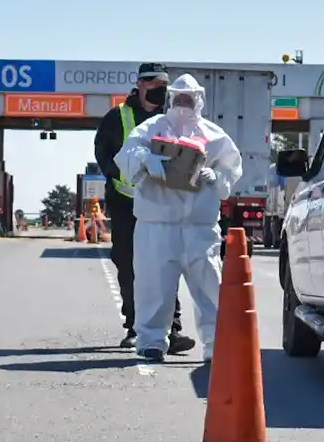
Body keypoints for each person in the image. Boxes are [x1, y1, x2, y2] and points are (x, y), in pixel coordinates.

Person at [114, 74, 243, 363]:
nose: (184, 102)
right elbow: (127, 155)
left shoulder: (214, 135)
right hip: (156, 223)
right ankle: (151, 341)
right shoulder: (151, 128)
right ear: (171, 98)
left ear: (199, 100)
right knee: (153, 286)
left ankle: (215, 344)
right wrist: (146, 160)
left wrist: (216, 177)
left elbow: (232, 169)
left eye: (189, 98)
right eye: (179, 97)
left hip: (200, 226)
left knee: (210, 287)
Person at [92, 63, 190, 352]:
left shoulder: (173, 119)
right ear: (140, 84)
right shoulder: (117, 117)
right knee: (129, 264)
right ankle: (135, 327)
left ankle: (172, 330)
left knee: (166, 264)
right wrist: (129, 174)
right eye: (152, 83)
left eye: (163, 84)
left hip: (163, 203)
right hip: (126, 204)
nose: (158, 88)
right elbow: (104, 155)